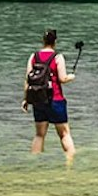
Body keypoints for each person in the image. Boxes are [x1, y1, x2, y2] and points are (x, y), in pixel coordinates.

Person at [23, 27, 76, 159]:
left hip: (38, 100)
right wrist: (71, 77)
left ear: (43, 40)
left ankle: (34, 163)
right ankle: (70, 164)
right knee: (64, 134)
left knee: (39, 135)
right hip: (55, 100)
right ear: (55, 41)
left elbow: (28, 79)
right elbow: (62, 79)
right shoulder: (57, 57)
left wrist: (26, 99)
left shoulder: (33, 56)